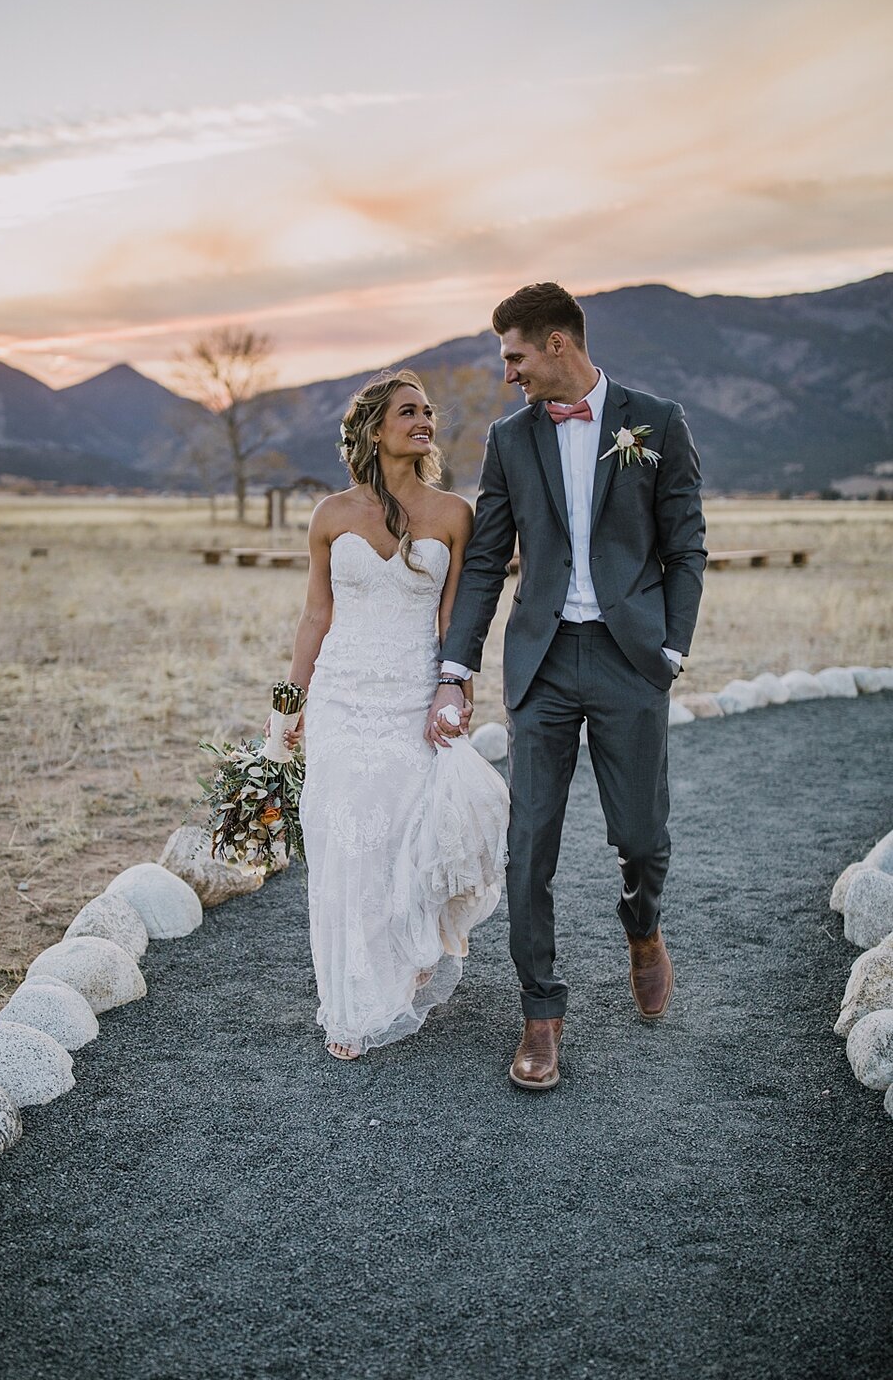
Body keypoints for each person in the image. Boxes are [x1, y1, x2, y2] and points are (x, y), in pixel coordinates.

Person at [426, 282, 707, 1092]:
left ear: (557, 344)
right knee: (530, 848)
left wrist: (672, 649)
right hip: (542, 662)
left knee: (643, 834)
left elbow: (686, 546)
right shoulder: (510, 439)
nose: (507, 372)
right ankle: (540, 1015)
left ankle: (643, 927)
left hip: (631, 659)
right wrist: (456, 668)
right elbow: (485, 562)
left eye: (514, 355)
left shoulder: (657, 419)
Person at [281, 369, 509, 1061]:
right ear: (375, 428)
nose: (424, 420)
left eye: (428, 412)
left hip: (412, 693)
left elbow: (454, 619)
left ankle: (409, 953)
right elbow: (316, 615)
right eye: (409, 411)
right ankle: (351, 1000)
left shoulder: (452, 514)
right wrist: (289, 704)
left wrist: (457, 690)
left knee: (408, 836)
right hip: (343, 697)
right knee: (342, 843)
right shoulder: (329, 515)